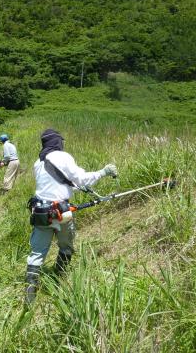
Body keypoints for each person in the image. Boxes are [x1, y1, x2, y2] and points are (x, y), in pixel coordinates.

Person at [25, 129, 117, 305]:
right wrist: (103, 172)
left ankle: (29, 297)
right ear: (57, 142)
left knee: (37, 253)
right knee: (66, 248)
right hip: (61, 214)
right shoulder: (63, 156)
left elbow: (51, 186)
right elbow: (81, 178)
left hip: (40, 213)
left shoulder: (38, 162)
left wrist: (73, 188)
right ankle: (59, 281)